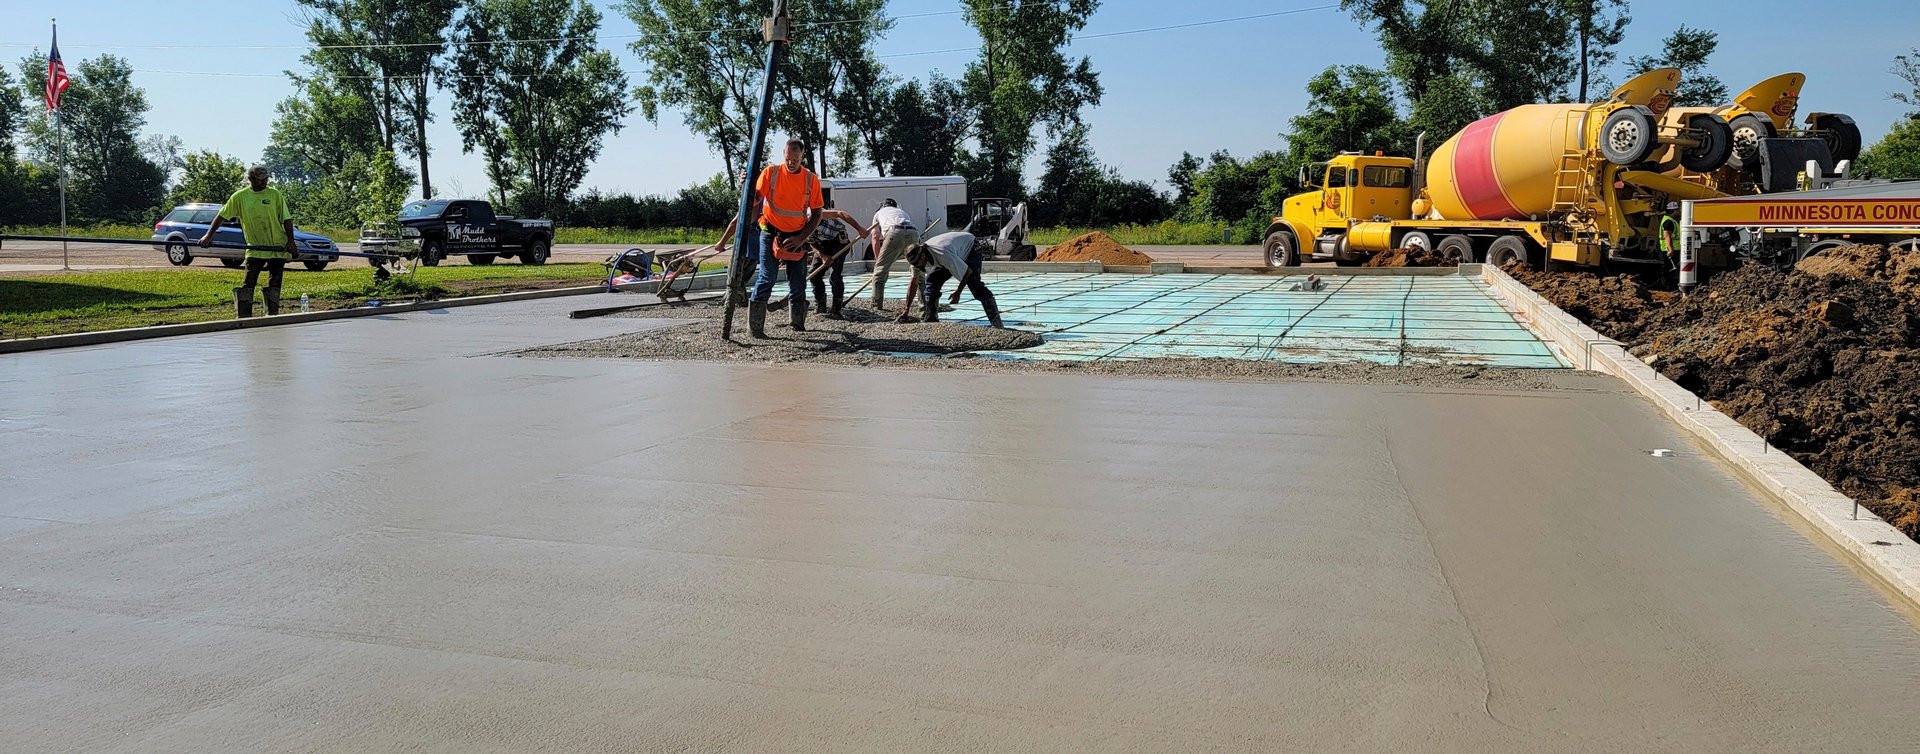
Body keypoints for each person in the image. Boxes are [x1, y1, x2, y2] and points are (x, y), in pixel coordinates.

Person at [748, 138, 825, 337]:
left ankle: (797, 324)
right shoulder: (771, 173)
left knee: (798, 280)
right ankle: (755, 328)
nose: (791, 162)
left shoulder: (810, 179)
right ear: (784, 154)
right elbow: (754, 199)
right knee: (767, 276)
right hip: (770, 231)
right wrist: (745, 186)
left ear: (802, 157)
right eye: (788, 158)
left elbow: (817, 213)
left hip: (797, 235)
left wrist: (801, 238)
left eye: (795, 159)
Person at [201, 165, 296, 318]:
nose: (264, 182)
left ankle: (272, 314)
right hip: (255, 247)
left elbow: (287, 219)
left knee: (275, 281)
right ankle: (244, 316)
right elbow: (222, 216)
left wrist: (291, 241)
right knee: (249, 281)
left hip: (277, 246)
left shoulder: (274, 194)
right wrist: (208, 235)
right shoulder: (240, 197)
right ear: (251, 179)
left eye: (266, 179)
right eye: (260, 180)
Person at [901, 231, 1004, 329]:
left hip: (970, 247)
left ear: (923, 256)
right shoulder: (916, 261)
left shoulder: (942, 254)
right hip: (951, 250)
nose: (917, 267)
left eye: (918, 264)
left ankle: (997, 323)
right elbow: (913, 284)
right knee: (932, 282)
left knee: (975, 286)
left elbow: (967, 272)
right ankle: (931, 320)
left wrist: (957, 293)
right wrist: (906, 309)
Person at [807, 208, 868, 319]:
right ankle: (820, 304)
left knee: (835, 275)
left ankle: (836, 309)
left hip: (839, 243)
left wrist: (859, 229)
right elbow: (811, 243)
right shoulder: (801, 226)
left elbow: (841, 213)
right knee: (814, 274)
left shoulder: (817, 213)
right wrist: (823, 256)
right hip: (821, 245)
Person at [866, 198, 920, 310]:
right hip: (914, 233)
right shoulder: (902, 212)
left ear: (883, 206)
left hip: (894, 233)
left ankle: (876, 306)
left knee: (879, 272)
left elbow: (875, 237)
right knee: (918, 269)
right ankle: (925, 306)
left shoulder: (879, 213)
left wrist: (878, 260)